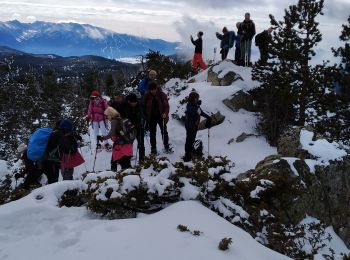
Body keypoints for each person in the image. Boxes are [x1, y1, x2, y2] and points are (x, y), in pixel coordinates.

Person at [144, 81, 171, 155]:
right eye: (151, 90)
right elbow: (144, 106)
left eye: (154, 89)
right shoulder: (147, 96)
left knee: (164, 131)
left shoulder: (162, 95)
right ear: (149, 90)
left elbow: (166, 106)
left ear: (157, 88)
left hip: (161, 116)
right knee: (152, 133)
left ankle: (166, 146)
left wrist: (165, 113)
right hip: (151, 117)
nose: (153, 91)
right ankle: (153, 148)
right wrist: (145, 115)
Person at [183, 91, 211, 162]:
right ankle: (187, 155)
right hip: (189, 126)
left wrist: (208, 117)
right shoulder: (189, 105)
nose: (197, 99)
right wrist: (197, 105)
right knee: (189, 140)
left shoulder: (196, 106)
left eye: (198, 98)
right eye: (196, 98)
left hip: (195, 126)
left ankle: (190, 153)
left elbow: (201, 112)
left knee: (191, 140)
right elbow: (192, 111)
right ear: (193, 99)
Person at [125, 93, 145, 161]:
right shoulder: (127, 107)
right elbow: (126, 118)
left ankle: (142, 159)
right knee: (129, 143)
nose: (134, 103)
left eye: (135, 102)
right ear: (129, 102)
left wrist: (139, 124)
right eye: (132, 102)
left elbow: (143, 118)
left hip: (139, 128)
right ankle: (128, 157)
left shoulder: (140, 107)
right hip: (130, 129)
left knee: (141, 144)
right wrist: (129, 125)